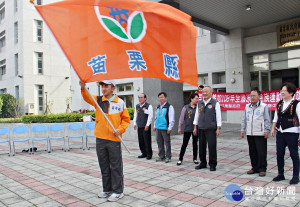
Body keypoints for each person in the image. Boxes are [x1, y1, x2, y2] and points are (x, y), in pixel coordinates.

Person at [80, 80, 130, 201]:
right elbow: (87, 97)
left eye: (106, 86)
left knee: (116, 166)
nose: (103, 88)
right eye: (102, 86)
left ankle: (118, 191)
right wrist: (83, 87)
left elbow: (126, 120)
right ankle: (107, 189)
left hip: (114, 139)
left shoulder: (120, 102)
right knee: (104, 165)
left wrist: (120, 129)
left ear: (113, 88)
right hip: (100, 138)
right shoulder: (98, 100)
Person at [271, 82, 300, 185]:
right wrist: (273, 128)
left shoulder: (296, 104)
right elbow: (276, 117)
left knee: (294, 154)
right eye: (281, 91)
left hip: (292, 132)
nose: (282, 92)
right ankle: (280, 174)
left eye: (284, 91)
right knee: (279, 154)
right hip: (281, 132)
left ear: (291, 92)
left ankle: (296, 176)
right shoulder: (280, 103)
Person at [241, 89, 270, 177]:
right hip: (250, 133)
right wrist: (243, 129)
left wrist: (266, 130)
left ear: (259, 96)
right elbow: (244, 119)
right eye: (251, 96)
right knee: (252, 151)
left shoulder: (263, 106)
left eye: (254, 96)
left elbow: (267, 119)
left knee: (261, 152)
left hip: (260, 133)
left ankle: (262, 169)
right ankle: (254, 167)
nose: (252, 97)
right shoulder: (247, 106)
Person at [193, 86, 221, 171]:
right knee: (201, 146)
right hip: (201, 128)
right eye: (203, 92)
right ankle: (203, 163)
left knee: (212, 146)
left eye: (206, 92)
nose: (204, 93)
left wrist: (218, 128)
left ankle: (212, 164)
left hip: (211, 128)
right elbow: (196, 116)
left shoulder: (215, 103)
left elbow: (218, 116)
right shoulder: (200, 103)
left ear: (211, 93)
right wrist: (195, 127)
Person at [177, 93, 199, 165]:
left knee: (195, 144)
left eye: (198, 98)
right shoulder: (185, 108)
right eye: (196, 98)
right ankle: (180, 159)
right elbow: (181, 119)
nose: (197, 100)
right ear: (191, 99)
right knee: (184, 144)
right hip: (187, 129)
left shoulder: (198, 107)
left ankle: (195, 158)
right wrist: (179, 127)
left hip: (195, 129)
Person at [153, 92, 175, 163]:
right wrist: (154, 126)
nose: (161, 99)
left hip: (165, 128)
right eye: (160, 97)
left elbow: (172, 118)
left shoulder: (169, 107)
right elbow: (156, 117)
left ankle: (168, 157)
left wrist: (170, 128)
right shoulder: (158, 107)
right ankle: (161, 156)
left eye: (162, 97)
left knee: (167, 143)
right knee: (159, 142)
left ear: (166, 98)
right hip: (158, 127)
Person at [133, 93, 153, 160]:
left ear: (145, 98)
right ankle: (143, 153)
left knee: (147, 141)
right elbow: (135, 115)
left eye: (141, 97)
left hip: (146, 126)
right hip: (140, 125)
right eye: (139, 97)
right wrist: (134, 123)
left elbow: (150, 116)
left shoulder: (149, 106)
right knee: (141, 140)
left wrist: (147, 125)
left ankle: (149, 154)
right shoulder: (137, 106)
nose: (140, 99)